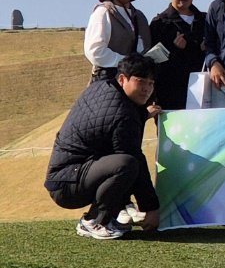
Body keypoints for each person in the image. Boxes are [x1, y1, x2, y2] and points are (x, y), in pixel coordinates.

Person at [46, 53, 162, 239]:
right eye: (141, 81)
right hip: (68, 185)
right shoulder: (123, 113)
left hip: (66, 177)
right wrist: (151, 208)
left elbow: (108, 119)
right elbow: (132, 154)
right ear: (123, 79)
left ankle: (110, 217)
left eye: (151, 83)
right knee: (127, 164)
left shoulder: (102, 86)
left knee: (123, 163)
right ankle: (94, 221)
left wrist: (142, 115)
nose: (147, 89)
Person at [84, 0, 154, 82]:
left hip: (137, 86)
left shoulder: (140, 17)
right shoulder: (103, 12)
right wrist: (127, 64)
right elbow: (95, 52)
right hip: (109, 83)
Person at [149, 0, 206, 111]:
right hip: (170, 95)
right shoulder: (159, 23)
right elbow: (153, 63)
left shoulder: (206, 20)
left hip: (204, 92)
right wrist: (174, 50)